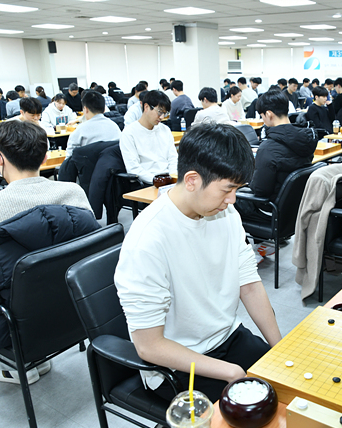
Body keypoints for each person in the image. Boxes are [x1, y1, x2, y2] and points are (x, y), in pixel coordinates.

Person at [114, 122, 281, 403]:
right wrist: (230, 371)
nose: (232, 200)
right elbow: (149, 346)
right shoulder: (147, 241)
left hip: (227, 336)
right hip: (176, 363)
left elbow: (250, 285)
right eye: (227, 189)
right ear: (192, 180)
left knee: (288, 392)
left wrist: (280, 349)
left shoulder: (226, 214)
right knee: (252, 420)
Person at [0, 121, 93, 384]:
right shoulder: (74, 193)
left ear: (0, 159)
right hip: (75, 308)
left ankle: (10, 366)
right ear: (45, 157)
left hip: (16, 320)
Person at [234, 89, 317, 225]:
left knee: (230, 199)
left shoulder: (268, 148)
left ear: (268, 114)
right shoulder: (306, 140)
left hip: (270, 210)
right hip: (295, 209)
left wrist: (250, 178)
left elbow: (260, 190)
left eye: (262, 116)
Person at [120, 90, 177, 184]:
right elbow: (133, 168)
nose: (162, 117)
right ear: (146, 107)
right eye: (160, 112)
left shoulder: (165, 129)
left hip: (169, 180)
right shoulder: (129, 133)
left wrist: (173, 177)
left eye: (165, 113)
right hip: (148, 182)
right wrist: (157, 180)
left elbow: (173, 159)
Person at [65, 90, 121, 157]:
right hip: (112, 163)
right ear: (104, 109)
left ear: (86, 109)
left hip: (88, 163)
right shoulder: (115, 127)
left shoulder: (80, 130)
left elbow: (69, 158)